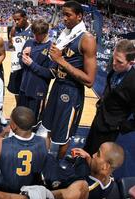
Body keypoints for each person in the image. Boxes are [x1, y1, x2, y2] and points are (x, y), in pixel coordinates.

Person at [37, 1, 97, 158]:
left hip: (71, 92)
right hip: (57, 85)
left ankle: (56, 166)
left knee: (64, 137)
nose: (64, 18)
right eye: (63, 14)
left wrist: (60, 60)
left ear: (79, 16)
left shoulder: (87, 39)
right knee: (48, 128)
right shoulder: (65, 34)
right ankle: (45, 162)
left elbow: (90, 80)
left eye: (68, 15)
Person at [0, 142, 124, 199]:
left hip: (52, 182)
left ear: (105, 167)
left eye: (98, 155)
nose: (93, 155)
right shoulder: (109, 180)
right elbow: (99, 171)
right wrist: (88, 157)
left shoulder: (80, 189)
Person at [83, 39, 135, 155]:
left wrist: (121, 127)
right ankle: (81, 160)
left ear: (131, 63)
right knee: (88, 144)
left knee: (99, 156)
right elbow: (110, 87)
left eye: (119, 61)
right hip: (99, 116)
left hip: (111, 127)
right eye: (114, 58)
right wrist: (100, 103)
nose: (114, 63)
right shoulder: (115, 68)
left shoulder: (133, 83)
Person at [0, 106, 48, 193]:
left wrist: (3, 133)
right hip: (30, 190)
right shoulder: (44, 142)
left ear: (13, 126)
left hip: (5, 189)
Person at [18, 19, 55, 122]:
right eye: (34, 34)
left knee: (33, 122)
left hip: (38, 91)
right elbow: (21, 65)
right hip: (23, 87)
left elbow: (51, 74)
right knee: (21, 118)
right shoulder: (29, 42)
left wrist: (32, 64)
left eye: (38, 35)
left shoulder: (52, 48)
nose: (35, 37)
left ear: (46, 33)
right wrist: (23, 57)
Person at [7, 9, 34, 105]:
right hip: (17, 65)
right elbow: (10, 46)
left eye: (18, 19)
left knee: (29, 92)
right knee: (16, 91)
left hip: (29, 66)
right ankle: (19, 108)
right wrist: (11, 38)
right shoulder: (14, 30)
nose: (16, 22)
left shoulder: (33, 29)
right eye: (14, 20)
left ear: (25, 18)